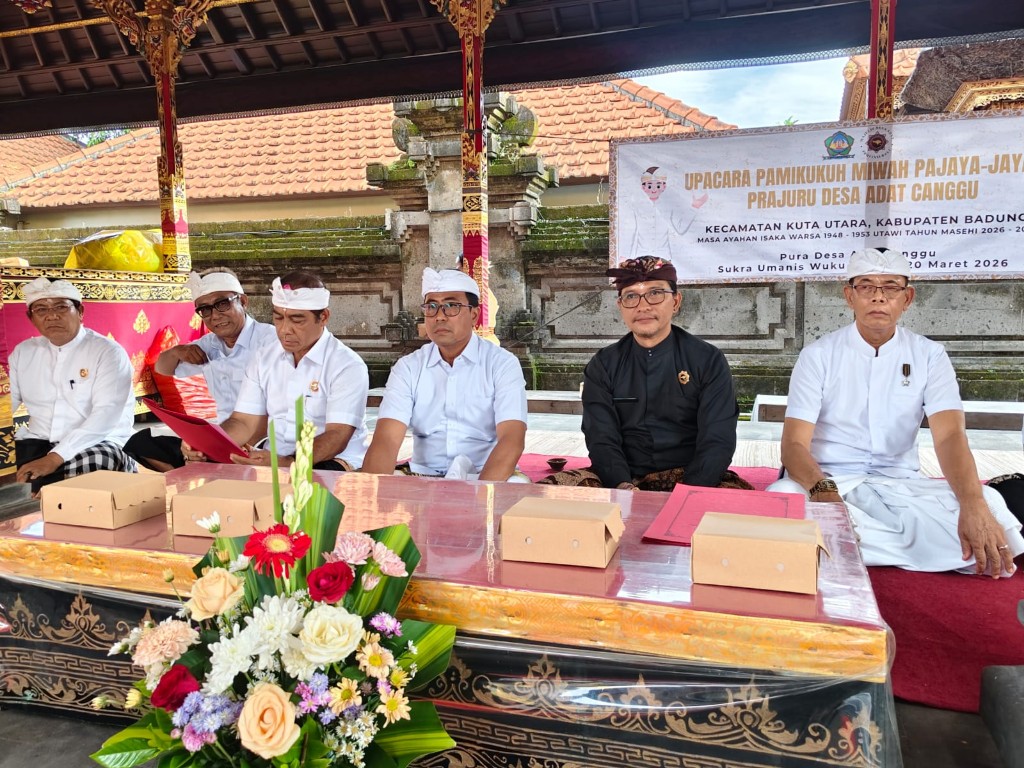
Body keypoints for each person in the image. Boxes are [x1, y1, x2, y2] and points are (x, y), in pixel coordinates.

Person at [767, 247, 1024, 577]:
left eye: (890, 287)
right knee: (782, 500)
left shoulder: (929, 355)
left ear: (907, 298)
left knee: (989, 505)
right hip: (828, 482)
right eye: (866, 286)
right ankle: (883, 544)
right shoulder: (818, 356)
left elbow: (949, 436)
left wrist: (973, 505)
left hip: (902, 486)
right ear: (849, 296)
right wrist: (823, 492)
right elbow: (793, 446)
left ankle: (845, 546)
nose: (878, 297)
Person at [540, 255, 748, 491]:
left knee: (735, 513)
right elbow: (601, 438)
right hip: (623, 477)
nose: (643, 305)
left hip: (692, 476)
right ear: (620, 306)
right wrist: (622, 487)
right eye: (631, 296)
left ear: (676, 301)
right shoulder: (604, 364)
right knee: (546, 497)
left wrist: (689, 493)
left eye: (655, 293)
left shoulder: (707, 359)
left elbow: (718, 439)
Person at [361, 267, 527, 481]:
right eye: (431, 307)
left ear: (474, 314)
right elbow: (387, 439)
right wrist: (371, 495)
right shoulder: (408, 367)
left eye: (451, 306)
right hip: (423, 475)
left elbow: (512, 439)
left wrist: (480, 498)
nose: (439, 316)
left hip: (485, 474)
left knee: (516, 489)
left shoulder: (502, 364)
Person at [124, 269, 277, 470]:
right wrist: (177, 351)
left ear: (243, 301)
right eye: (205, 310)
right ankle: (203, 469)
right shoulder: (209, 344)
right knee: (141, 442)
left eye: (222, 304)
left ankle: (206, 471)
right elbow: (163, 368)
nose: (215, 316)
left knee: (211, 455)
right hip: (223, 434)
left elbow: (264, 416)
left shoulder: (270, 341)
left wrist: (215, 445)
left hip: (262, 441)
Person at [219, 270, 369, 470]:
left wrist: (289, 462)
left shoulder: (347, 365)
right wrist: (209, 443)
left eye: (297, 320)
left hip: (328, 459)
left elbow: (337, 435)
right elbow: (244, 421)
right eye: (279, 318)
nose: (284, 330)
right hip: (273, 456)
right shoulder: (264, 357)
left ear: (323, 317)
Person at [10, 277, 136, 494]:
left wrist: (54, 458)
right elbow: (7, 403)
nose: (52, 316)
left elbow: (105, 415)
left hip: (97, 441)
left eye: (61, 307)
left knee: (86, 478)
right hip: (39, 440)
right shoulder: (24, 352)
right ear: (31, 318)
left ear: (80, 311)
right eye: (41, 309)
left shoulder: (107, 352)